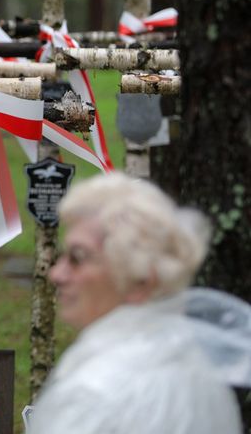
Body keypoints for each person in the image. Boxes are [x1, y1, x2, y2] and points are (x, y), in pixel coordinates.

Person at [29, 173, 243, 433]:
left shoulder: (93, 391)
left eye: (78, 257)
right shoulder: (202, 371)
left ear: (140, 280)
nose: (57, 274)